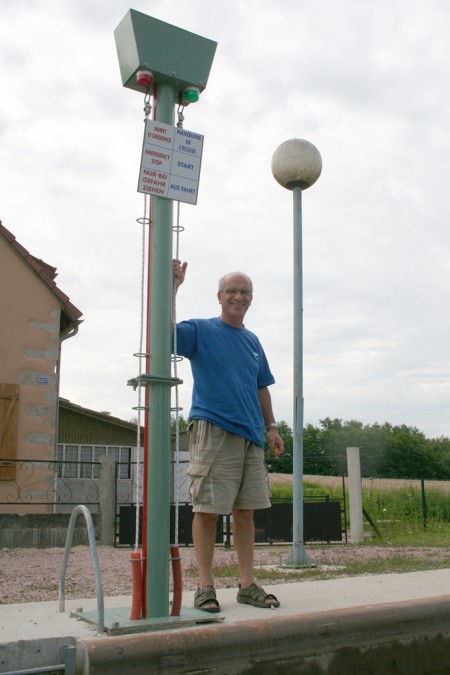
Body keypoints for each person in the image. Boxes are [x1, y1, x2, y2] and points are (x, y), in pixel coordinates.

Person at [172, 259, 285, 613]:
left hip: (251, 434)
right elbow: (165, 334)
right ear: (220, 296)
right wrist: (172, 287)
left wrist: (272, 427)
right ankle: (205, 587)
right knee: (207, 510)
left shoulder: (252, 341)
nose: (239, 296)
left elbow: (261, 386)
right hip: (213, 429)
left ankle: (247, 584)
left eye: (245, 292)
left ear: (251, 299)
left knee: (245, 512)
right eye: (232, 291)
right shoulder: (201, 330)